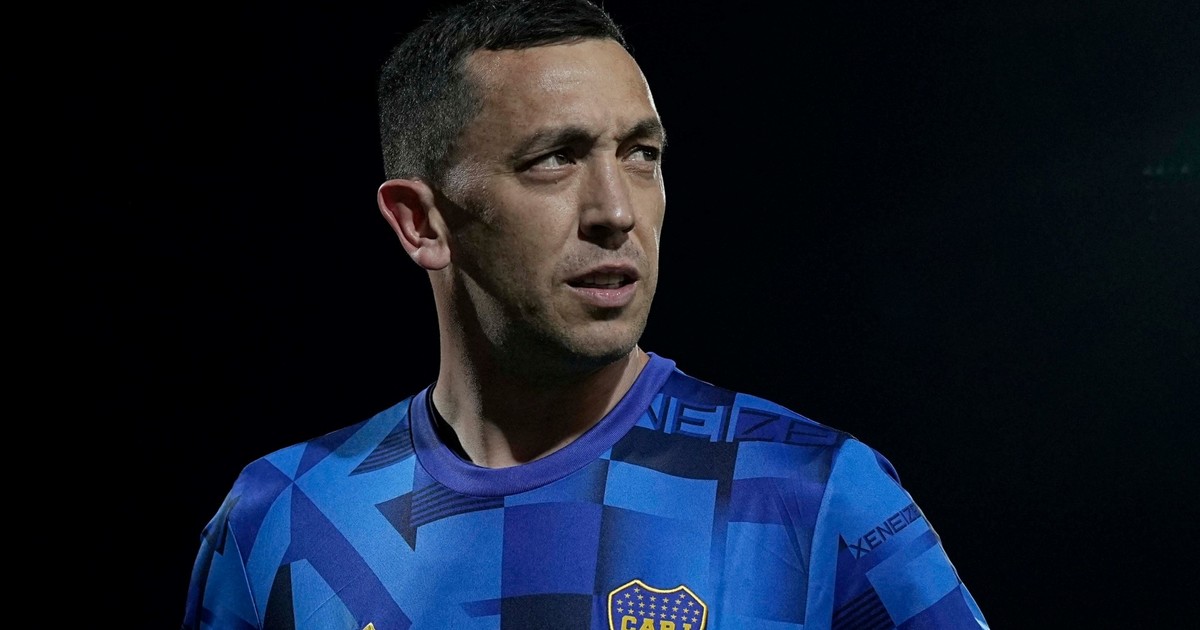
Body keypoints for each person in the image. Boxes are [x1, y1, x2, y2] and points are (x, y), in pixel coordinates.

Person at [182, 1, 990, 628]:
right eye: (555, 159)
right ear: (421, 223)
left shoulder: (811, 493)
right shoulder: (279, 517)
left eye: (641, 155)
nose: (616, 210)